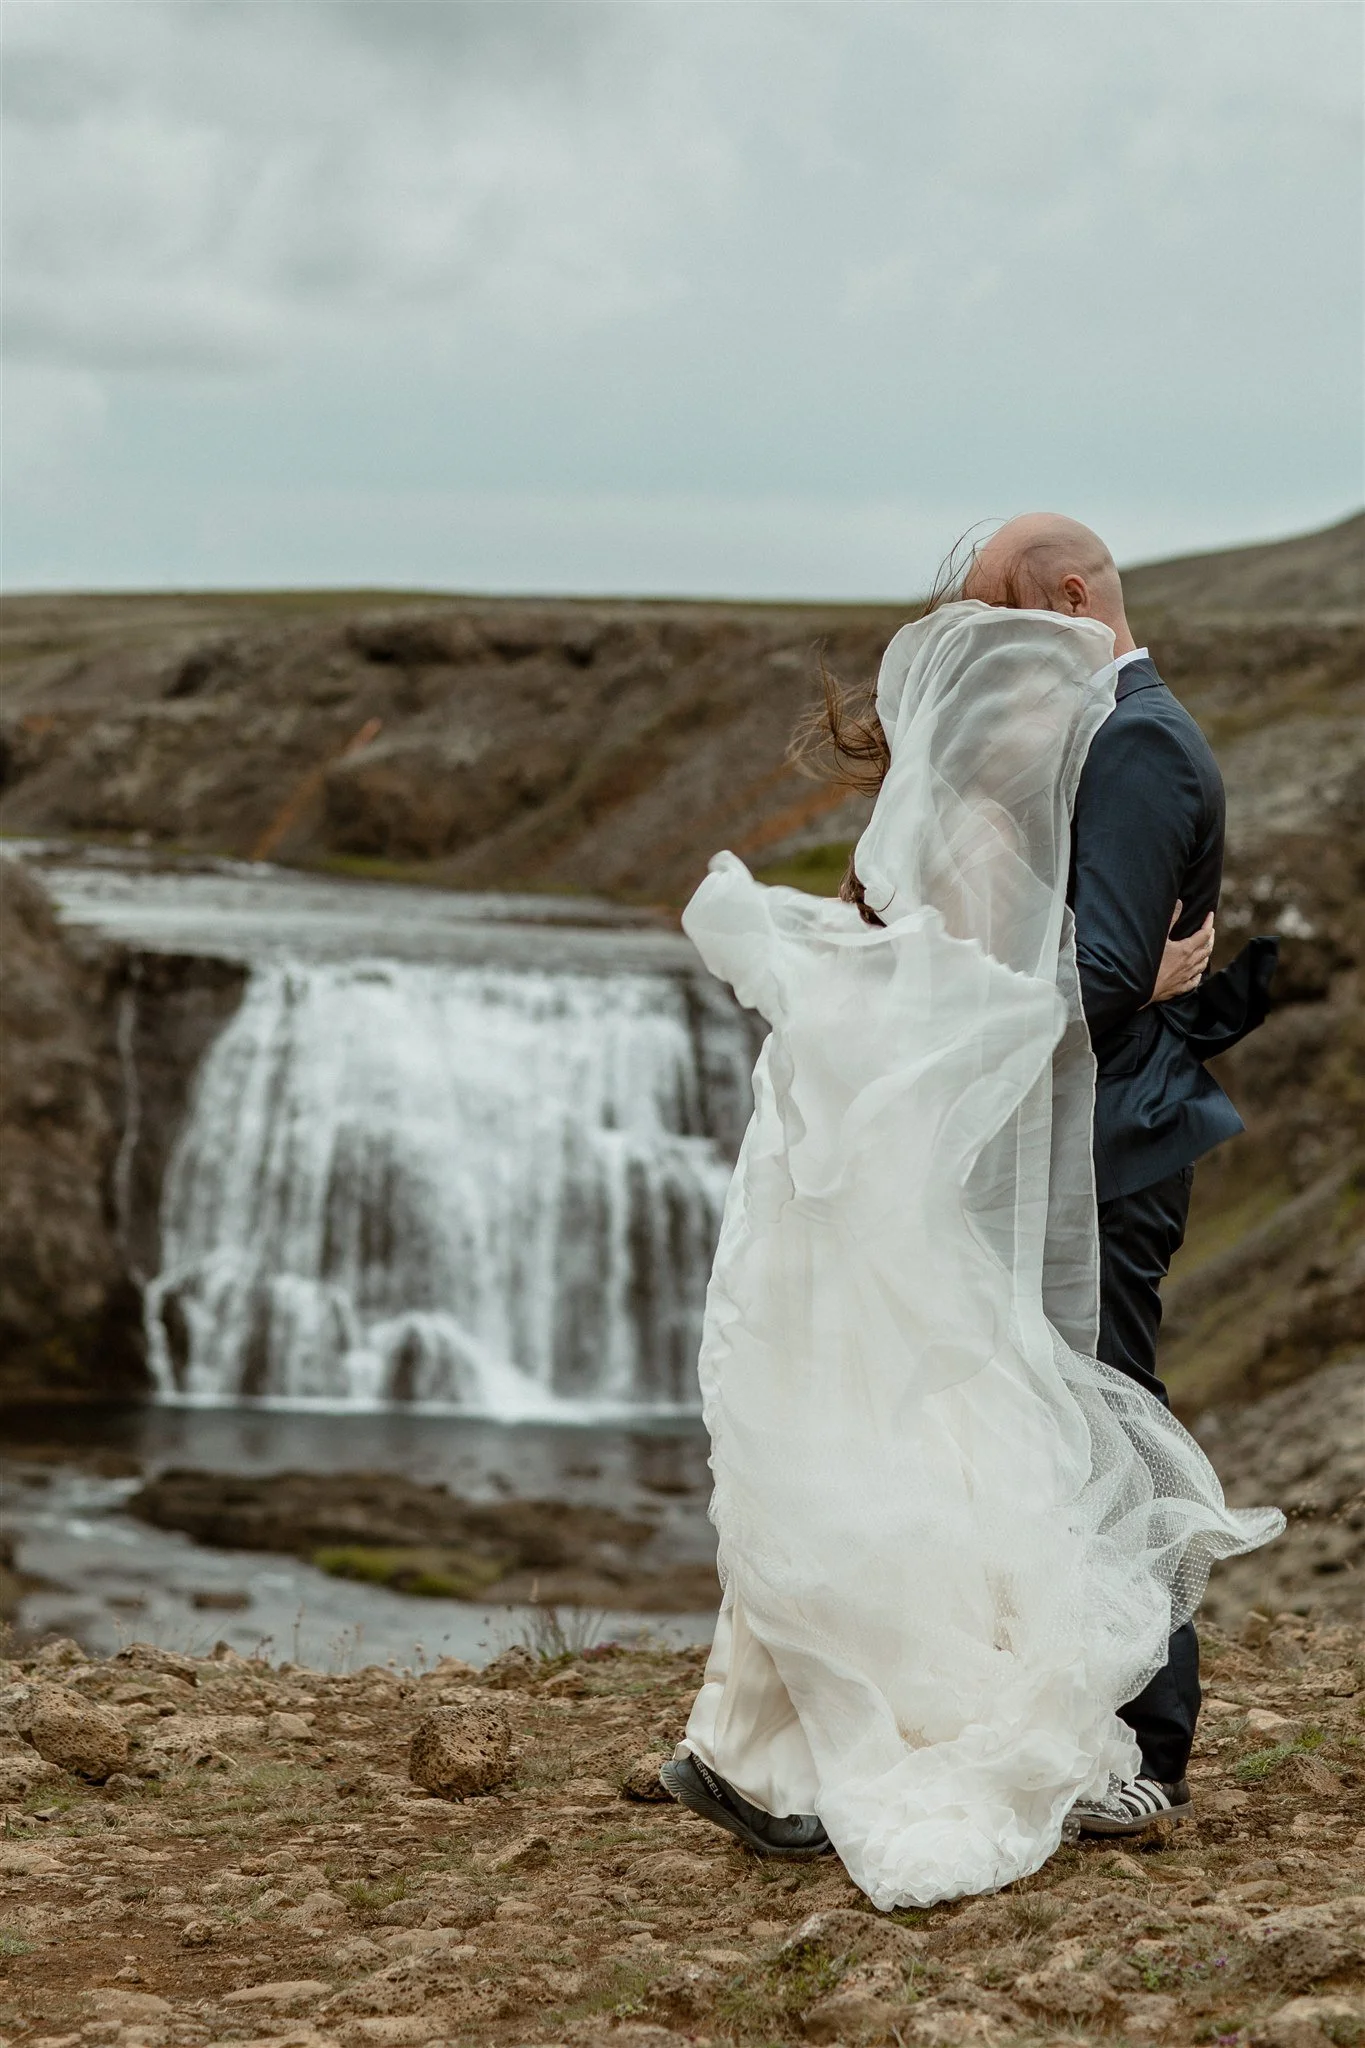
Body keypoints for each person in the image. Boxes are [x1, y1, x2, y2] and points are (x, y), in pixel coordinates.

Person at [661, 531, 1283, 1908]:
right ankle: (778, 1735)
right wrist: (1149, 976)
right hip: (1001, 1147)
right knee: (980, 1429)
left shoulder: (1141, 745)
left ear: (1069, 605)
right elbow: (1101, 962)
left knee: (1094, 1412)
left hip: (1102, 1154)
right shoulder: (1035, 773)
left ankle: (1147, 1751)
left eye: (999, 624)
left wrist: (1152, 977)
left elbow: (1101, 964)